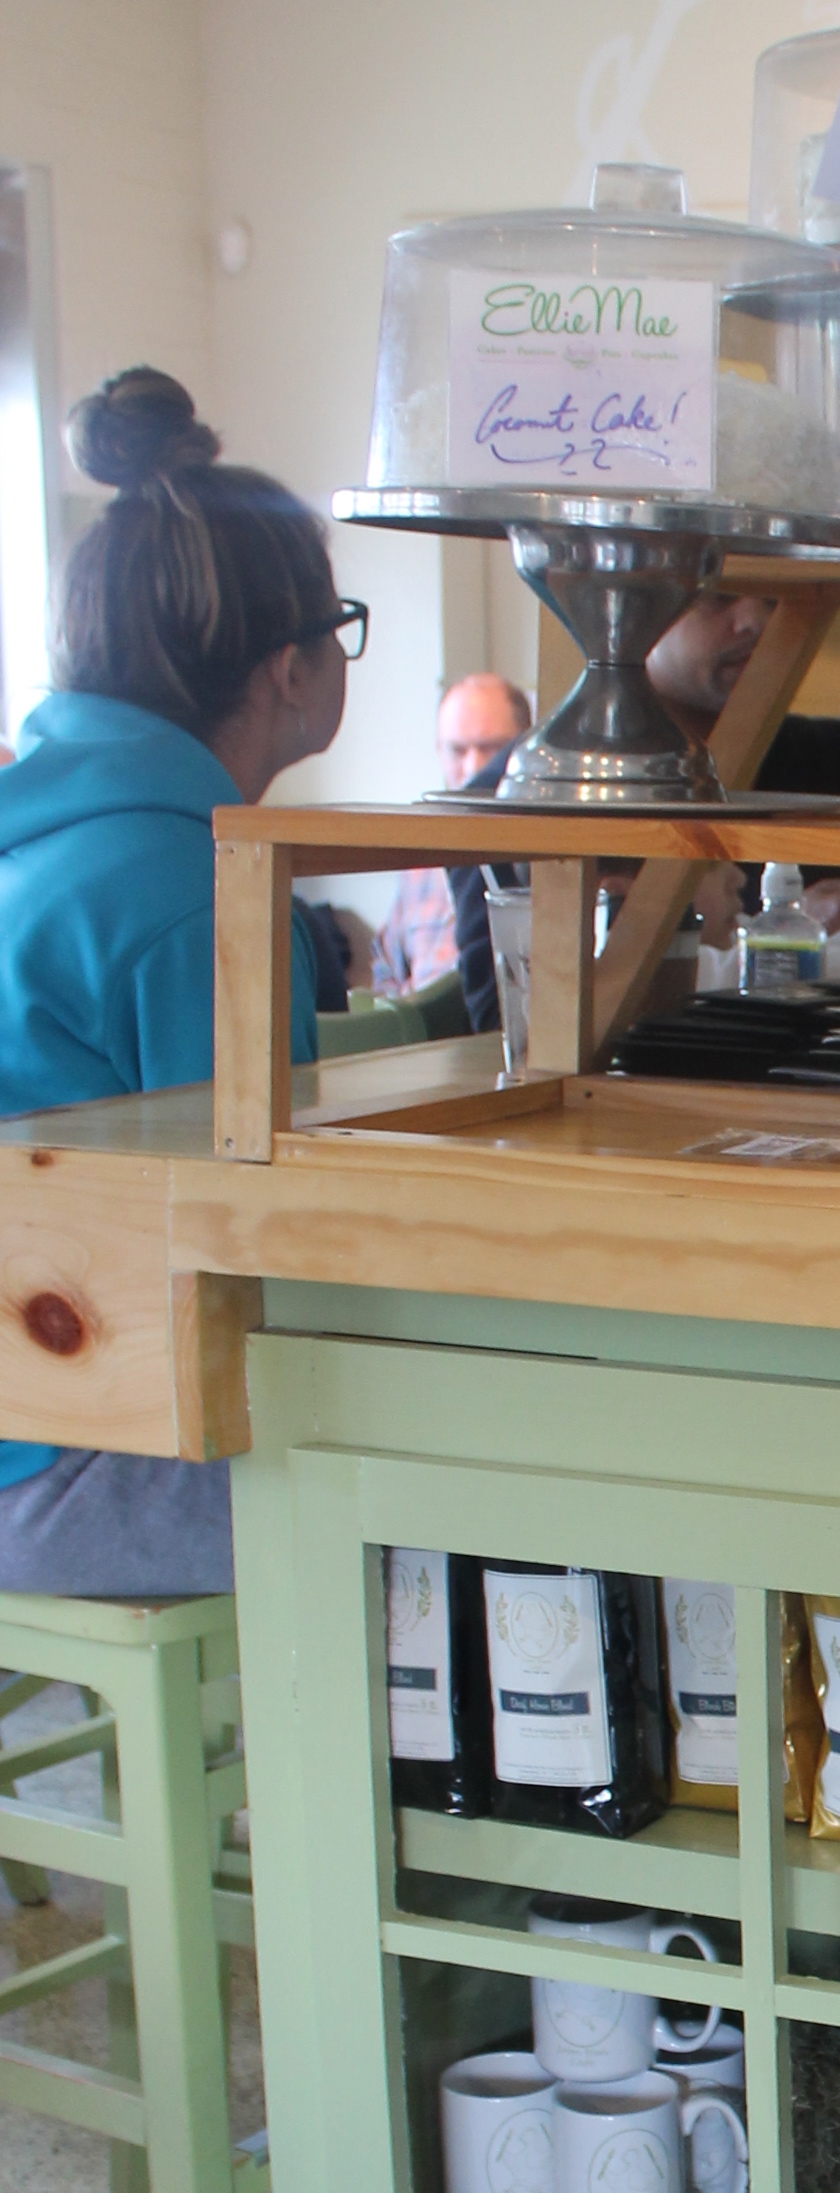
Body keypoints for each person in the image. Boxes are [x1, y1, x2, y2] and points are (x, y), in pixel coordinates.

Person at [0, 368, 347, 1590]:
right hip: (57, 1463)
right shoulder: (200, 893)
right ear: (289, 668)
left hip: (30, 1428)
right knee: (476, 1472)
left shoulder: (36, 846)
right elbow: (264, 1254)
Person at [375, 672, 529, 996]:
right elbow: (386, 967)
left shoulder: (541, 858)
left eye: (491, 748)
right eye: (457, 750)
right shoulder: (420, 863)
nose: (473, 768)